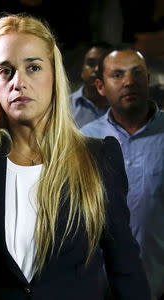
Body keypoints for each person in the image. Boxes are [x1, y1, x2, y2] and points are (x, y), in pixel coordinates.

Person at [0, 13, 150, 300]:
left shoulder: (98, 157)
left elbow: (126, 269)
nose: (19, 82)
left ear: (53, 75)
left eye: (33, 67)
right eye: (6, 71)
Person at [81, 45, 164, 300]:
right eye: (118, 75)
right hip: (98, 285)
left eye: (136, 73)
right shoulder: (85, 140)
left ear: (148, 80)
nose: (129, 82)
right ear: (101, 87)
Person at [70, 42, 111, 128]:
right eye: (91, 64)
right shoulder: (63, 106)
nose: (96, 69)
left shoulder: (122, 107)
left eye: (102, 65)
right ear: (82, 70)